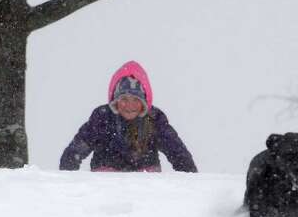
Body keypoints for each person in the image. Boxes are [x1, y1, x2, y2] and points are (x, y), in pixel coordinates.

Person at [60, 60, 197, 173]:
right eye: (124, 99)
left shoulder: (154, 119)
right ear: (115, 100)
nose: (129, 105)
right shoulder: (102, 118)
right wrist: (67, 183)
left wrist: (192, 183)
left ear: (144, 102)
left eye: (136, 100)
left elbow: (178, 153)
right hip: (104, 186)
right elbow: (74, 153)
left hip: (147, 187)